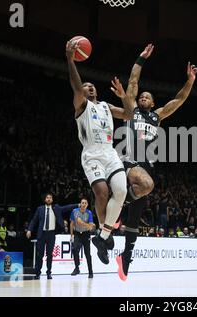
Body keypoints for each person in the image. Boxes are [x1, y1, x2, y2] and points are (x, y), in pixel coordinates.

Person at [110, 44, 197, 281]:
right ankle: (117, 205)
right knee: (148, 186)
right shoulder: (132, 111)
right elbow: (133, 82)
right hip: (128, 160)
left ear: (153, 101)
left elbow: (178, 100)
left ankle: (125, 259)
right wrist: (141, 58)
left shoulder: (158, 116)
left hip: (146, 166)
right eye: (141, 96)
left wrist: (189, 81)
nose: (143, 97)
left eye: (147, 97)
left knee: (134, 221)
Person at [66, 39, 132, 265]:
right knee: (103, 193)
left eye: (91, 85)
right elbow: (76, 86)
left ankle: (103, 237)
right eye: (86, 86)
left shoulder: (105, 106)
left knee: (121, 190)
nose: (89, 87)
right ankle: (106, 233)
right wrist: (70, 59)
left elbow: (129, 114)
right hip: (92, 154)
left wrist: (123, 96)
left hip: (110, 153)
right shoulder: (82, 106)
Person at [26, 193, 79, 279]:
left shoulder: (56, 208)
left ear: (52, 200)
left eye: (50, 198)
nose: (49, 199)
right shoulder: (40, 209)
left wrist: (77, 205)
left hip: (51, 234)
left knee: (50, 255)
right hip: (41, 234)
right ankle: (37, 273)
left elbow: (66, 207)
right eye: (47, 198)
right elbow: (34, 220)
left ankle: (48, 273)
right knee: (40, 255)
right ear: (45, 200)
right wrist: (29, 230)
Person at [70, 198, 94, 278]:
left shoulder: (89, 213)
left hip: (86, 234)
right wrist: (71, 235)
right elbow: (72, 223)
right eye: (82, 203)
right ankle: (77, 268)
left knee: (87, 254)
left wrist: (82, 223)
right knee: (74, 249)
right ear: (80, 204)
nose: (83, 204)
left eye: (85, 203)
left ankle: (90, 272)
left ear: (87, 205)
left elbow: (91, 227)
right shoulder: (74, 211)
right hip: (77, 234)